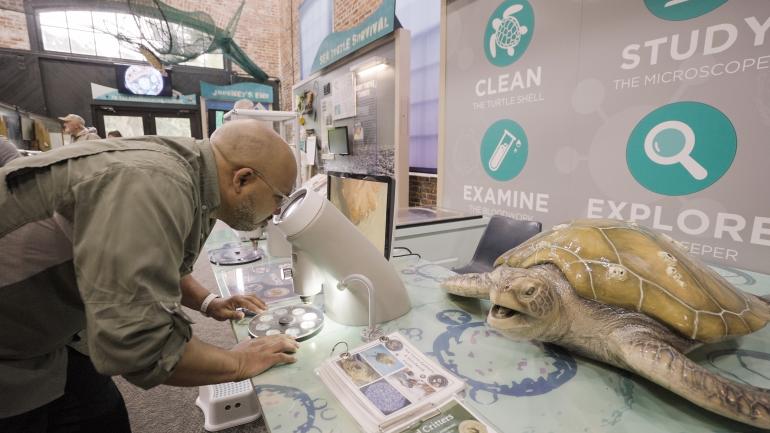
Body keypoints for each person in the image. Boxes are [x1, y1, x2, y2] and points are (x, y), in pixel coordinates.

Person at [0, 119, 299, 432]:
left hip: (58, 333)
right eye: (279, 197)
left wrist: (208, 301)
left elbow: (154, 261)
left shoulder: (193, 174)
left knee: (102, 416)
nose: (277, 211)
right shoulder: (156, 184)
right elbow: (140, 347)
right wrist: (239, 363)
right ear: (243, 179)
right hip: (13, 346)